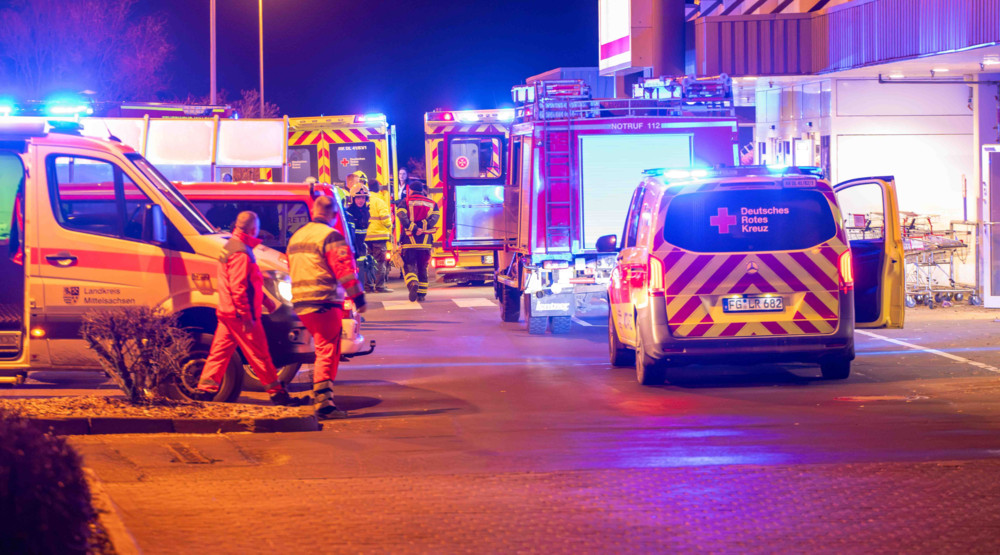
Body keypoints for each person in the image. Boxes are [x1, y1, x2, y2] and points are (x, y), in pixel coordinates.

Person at [196, 211, 306, 406]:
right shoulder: (241, 253)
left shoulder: (231, 246)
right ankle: (278, 395)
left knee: (219, 353)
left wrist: (266, 301)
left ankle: (204, 391)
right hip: (241, 315)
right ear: (253, 229)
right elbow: (239, 288)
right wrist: (247, 317)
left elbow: (246, 284)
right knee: (260, 355)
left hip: (228, 312)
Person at [287, 195, 367, 419]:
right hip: (323, 301)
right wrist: (358, 297)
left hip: (301, 303)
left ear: (313, 212)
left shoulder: (297, 236)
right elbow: (344, 269)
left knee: (323, 348)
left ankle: (323, 398)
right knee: (327, 350)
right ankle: (324, 405)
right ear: (333, 215)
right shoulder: (331, 236)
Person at [395, 181, 439, 302]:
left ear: (411, 190)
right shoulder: (432, 203)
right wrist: (423, 227)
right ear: (422, 190)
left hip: (409, 241)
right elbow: (435, 218)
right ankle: (422, 295)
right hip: (425, 242)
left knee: (409, 266)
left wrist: (413, 228)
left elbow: (401, 216)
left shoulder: (405, 201)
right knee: (422, 267)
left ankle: (413, 283)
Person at [365, 179, 393, 292]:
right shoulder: (379, 201)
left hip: (366, 237)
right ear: (378, 188)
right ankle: (380, 286)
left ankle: (368, 286)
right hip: (379, 236)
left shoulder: (365, 200)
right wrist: (389, 227)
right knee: (380, 262)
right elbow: (386, 219)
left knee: (368, 262)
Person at [345, 182, 372, 287]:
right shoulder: (349, 213)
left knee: (361, 268)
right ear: (352, 199)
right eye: (358, 198)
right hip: (352, 246)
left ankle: (360, 288)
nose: (361, 200)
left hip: (361, 246)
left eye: (363, 198)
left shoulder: (366, 211)